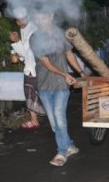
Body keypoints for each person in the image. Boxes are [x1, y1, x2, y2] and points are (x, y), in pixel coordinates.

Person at [30, 12, 87, 166]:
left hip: (62, 85)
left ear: (51, 16)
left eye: (45, 16)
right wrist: (65, 73)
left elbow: (69, 54)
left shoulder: (61, 34)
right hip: (44, 85)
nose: (42, 20)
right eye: (39, 17)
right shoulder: (35, 38)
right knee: (55, 124)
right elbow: (46, 62)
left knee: (59, 118)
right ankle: (70, 145)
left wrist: (81, 72)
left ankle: (61, 153)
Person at [9, 7, 46, 129]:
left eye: (23, 19)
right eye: (19, 21)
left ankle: (38, 118)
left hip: (34, 68)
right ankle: (35, 119)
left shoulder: (32, 30)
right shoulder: (23, 29)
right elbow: (25, 53)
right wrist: (20, 56)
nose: (21, 22)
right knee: (31, 92)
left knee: (33, 92)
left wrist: (17, 42)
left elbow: (26, 52)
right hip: (30, 66)